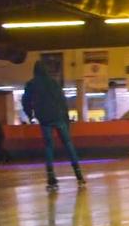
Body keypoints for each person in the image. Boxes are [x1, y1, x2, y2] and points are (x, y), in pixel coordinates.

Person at [22, 60, 85, 190]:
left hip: (44, 118)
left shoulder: (31, 84)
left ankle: (51, 178)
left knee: (49, 147)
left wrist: (30, 114)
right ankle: (79, 175)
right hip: (59, 117)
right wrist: (66, 119)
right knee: (68, 144)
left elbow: (25, 101)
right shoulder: (54, 82)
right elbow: (62, 101)